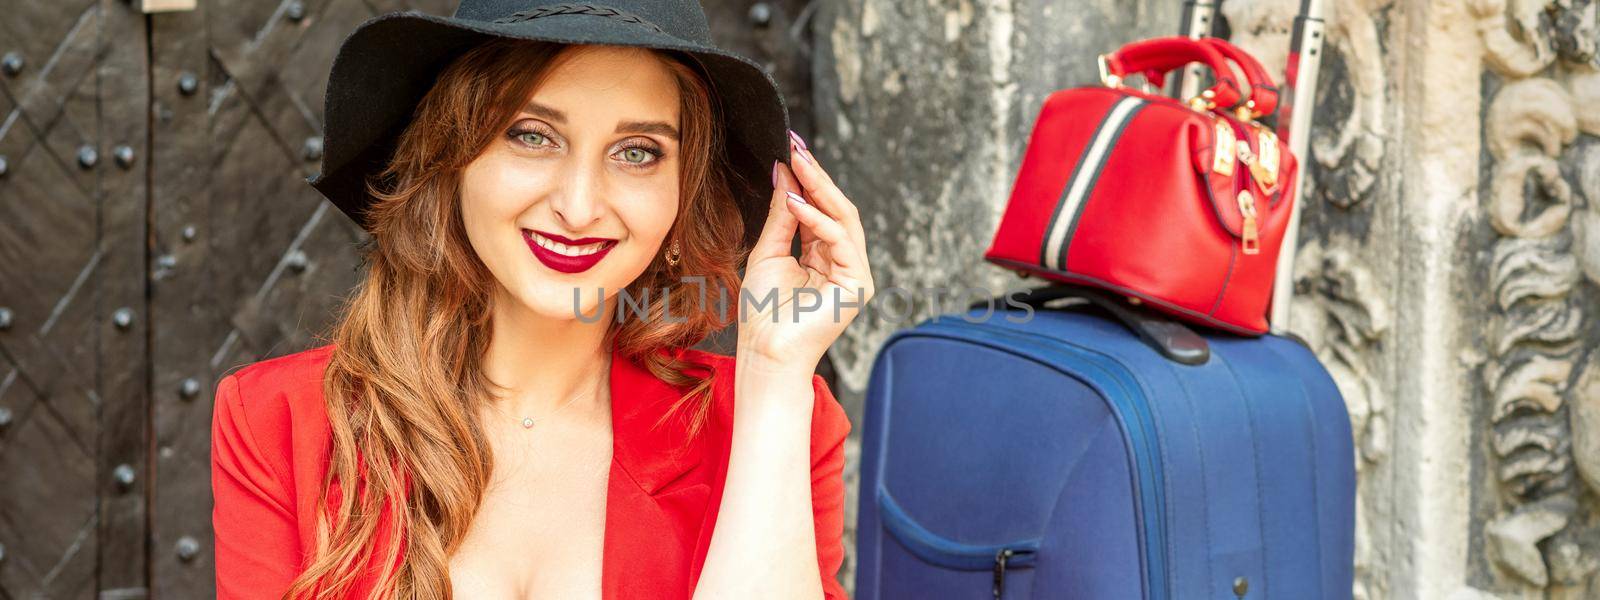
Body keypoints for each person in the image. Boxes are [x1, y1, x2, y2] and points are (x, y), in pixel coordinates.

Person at [208, 2, 874, 599]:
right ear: (452, 155)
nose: (579, 206)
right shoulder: (277, 422)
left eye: (638, 152)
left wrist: (776, 366)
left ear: (682, 197)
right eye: (532, 135)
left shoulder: (776, 420)